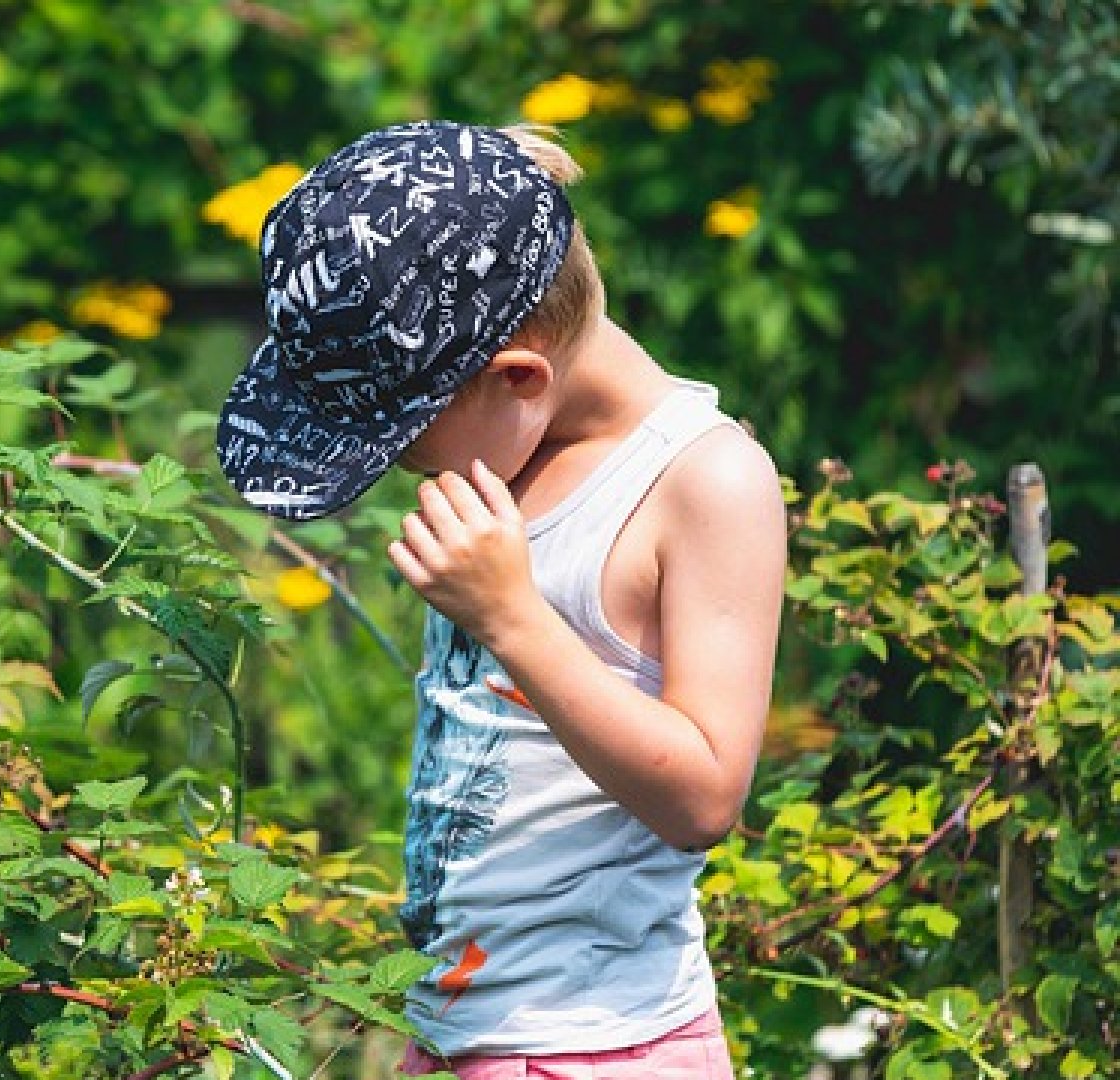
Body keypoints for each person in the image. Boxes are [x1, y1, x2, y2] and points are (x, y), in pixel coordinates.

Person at [215, 120, 785, 1078]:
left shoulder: (704, 483)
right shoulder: (510, 456)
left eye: (404, 443)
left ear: (518, 377)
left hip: (600, 1045)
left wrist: (514, 619)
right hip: (461, 1030)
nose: (404, 471)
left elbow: (705, 795)